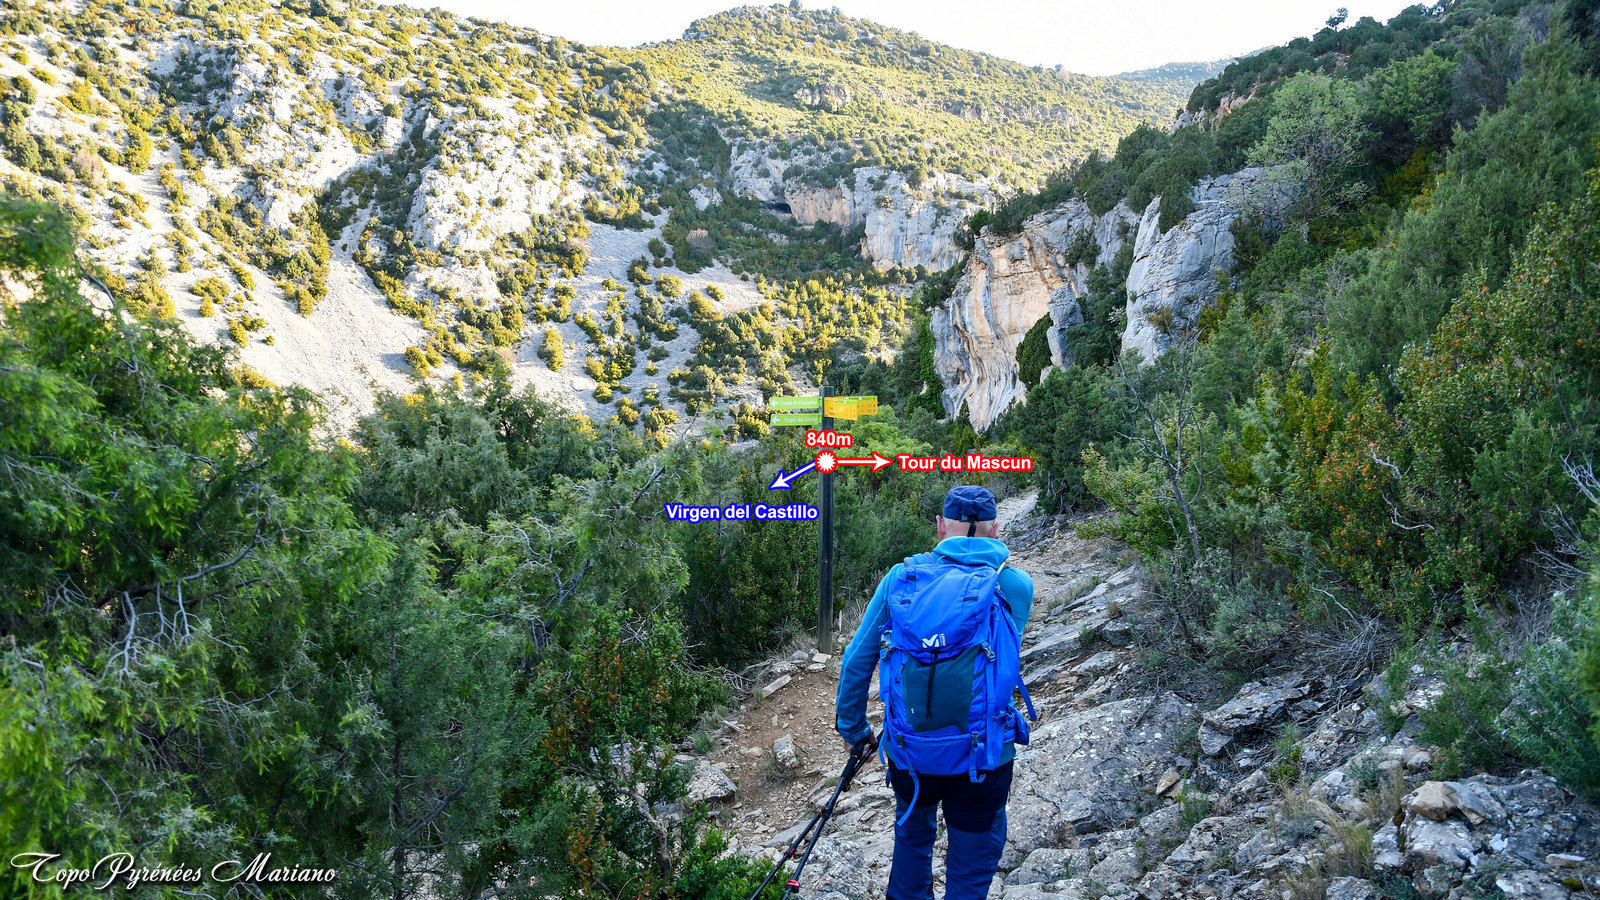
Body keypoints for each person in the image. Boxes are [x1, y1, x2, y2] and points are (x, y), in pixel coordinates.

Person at [835, 486, 1034, 900]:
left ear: (941, 526)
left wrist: (855, 731)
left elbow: (856, 659)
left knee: (912, 842)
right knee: (969, 873)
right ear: (995, 529)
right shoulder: (1013, 585)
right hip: (983, 755)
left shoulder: (900, 579)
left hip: (912, 752)